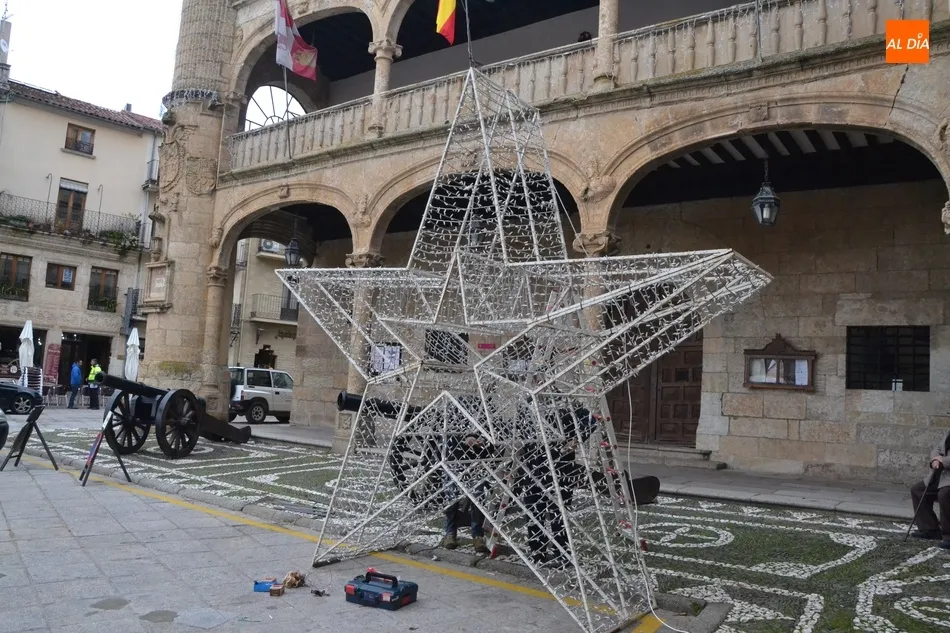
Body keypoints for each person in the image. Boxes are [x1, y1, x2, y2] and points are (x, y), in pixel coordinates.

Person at [441, 432, 493, 555]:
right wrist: (465, 438)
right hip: (453, 459)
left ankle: (477, 535)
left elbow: (493, 432)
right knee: (452, 499)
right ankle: (450, 533)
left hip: (478, 460)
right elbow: (447, 430)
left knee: (477, 500)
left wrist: (482, 440)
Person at [909, 430, 950, 548]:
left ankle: (949, 536)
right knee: (918, 490)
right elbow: (938, 448)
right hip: (942, 476)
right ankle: (929, 529)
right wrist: (935, 459)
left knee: (945, 495)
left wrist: (943, 460)